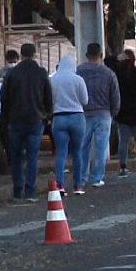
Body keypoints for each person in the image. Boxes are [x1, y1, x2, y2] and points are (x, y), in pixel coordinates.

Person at [0, 43, 53, 202]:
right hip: (36, 120)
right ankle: (30, 190)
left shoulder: (12, 73)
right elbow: (48, 98)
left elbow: (4, 98)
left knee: (16, 156)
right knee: (32, 156)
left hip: (16, 120)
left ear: (21, 55)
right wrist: (46, 115)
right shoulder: (41, 73)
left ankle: (17, 189)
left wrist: (7, 116)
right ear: (34, 54)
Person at [76, 43, 120, 188]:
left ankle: (82, 177)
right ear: (101, 56)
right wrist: (113, 113)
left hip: (84, 112)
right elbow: (115, 96)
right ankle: (97, 177)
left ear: (86, 55)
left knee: (83, 146)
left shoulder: (78, 72)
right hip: (104, 112)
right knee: (101, 147)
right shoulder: (109, 73)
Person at [49, 55, 89, 195]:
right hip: (77, 116)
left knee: (61, 153)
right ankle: (77, 185)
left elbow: (50, 100)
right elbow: (85, 100)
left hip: (59, 117)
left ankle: (60, 184)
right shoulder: (78, 80)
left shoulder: (52, 79)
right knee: (77, 152)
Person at [115, 49, 136, 176]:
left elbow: (109, 61)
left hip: (123, 111)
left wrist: (117, 57)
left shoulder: (118, 75)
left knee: (123, 140)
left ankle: (123, 167)